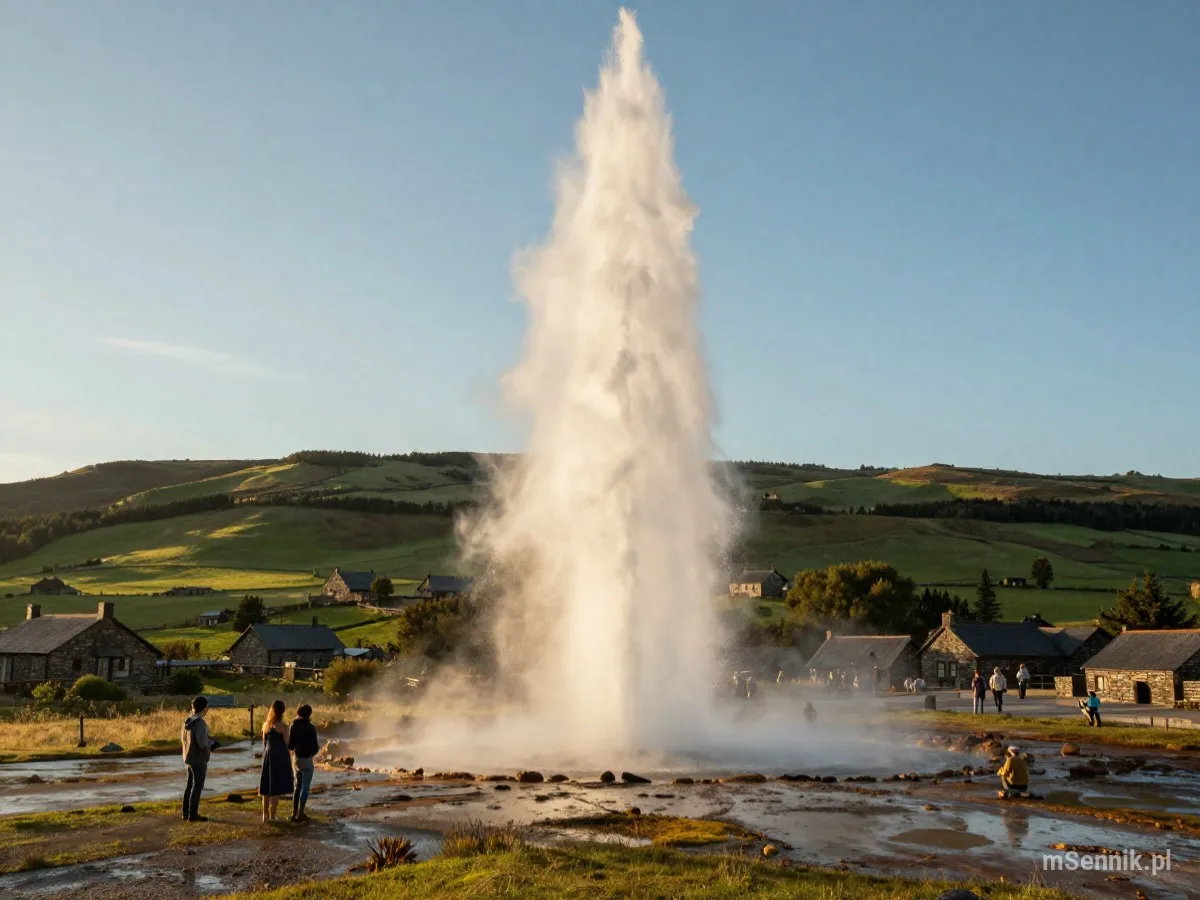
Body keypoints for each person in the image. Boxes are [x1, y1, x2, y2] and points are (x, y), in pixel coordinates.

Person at [181, 695, 219, 822]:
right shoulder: (201, 723)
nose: (208, 709)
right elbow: (203, 744)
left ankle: (185, 813)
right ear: (203, 708)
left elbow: (183, 739)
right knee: (197, 786)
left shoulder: (188, 720)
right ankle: (193, 815)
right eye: (207, 707)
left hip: (189, 757)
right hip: (199, 759)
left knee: (189, 786)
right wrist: (211, 746)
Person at [259, 700, 294, 823]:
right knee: (276, 787)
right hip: (280, 757)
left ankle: (265, 815)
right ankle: (273, 816)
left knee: (266, 785)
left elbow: (264, 743)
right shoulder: (284, 727)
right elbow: (287, 743)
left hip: (268, 755)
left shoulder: (265, 726)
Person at [288, 704, 320, 822]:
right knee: (305, 787)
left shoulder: (293, 725)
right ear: (309, 715)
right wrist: (313, 752)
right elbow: (315, 747)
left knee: (297, 786)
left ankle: (293, 812)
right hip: (307, 759)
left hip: (296, 758)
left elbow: (290, 745)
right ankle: (301, 812)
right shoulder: (311, 727)